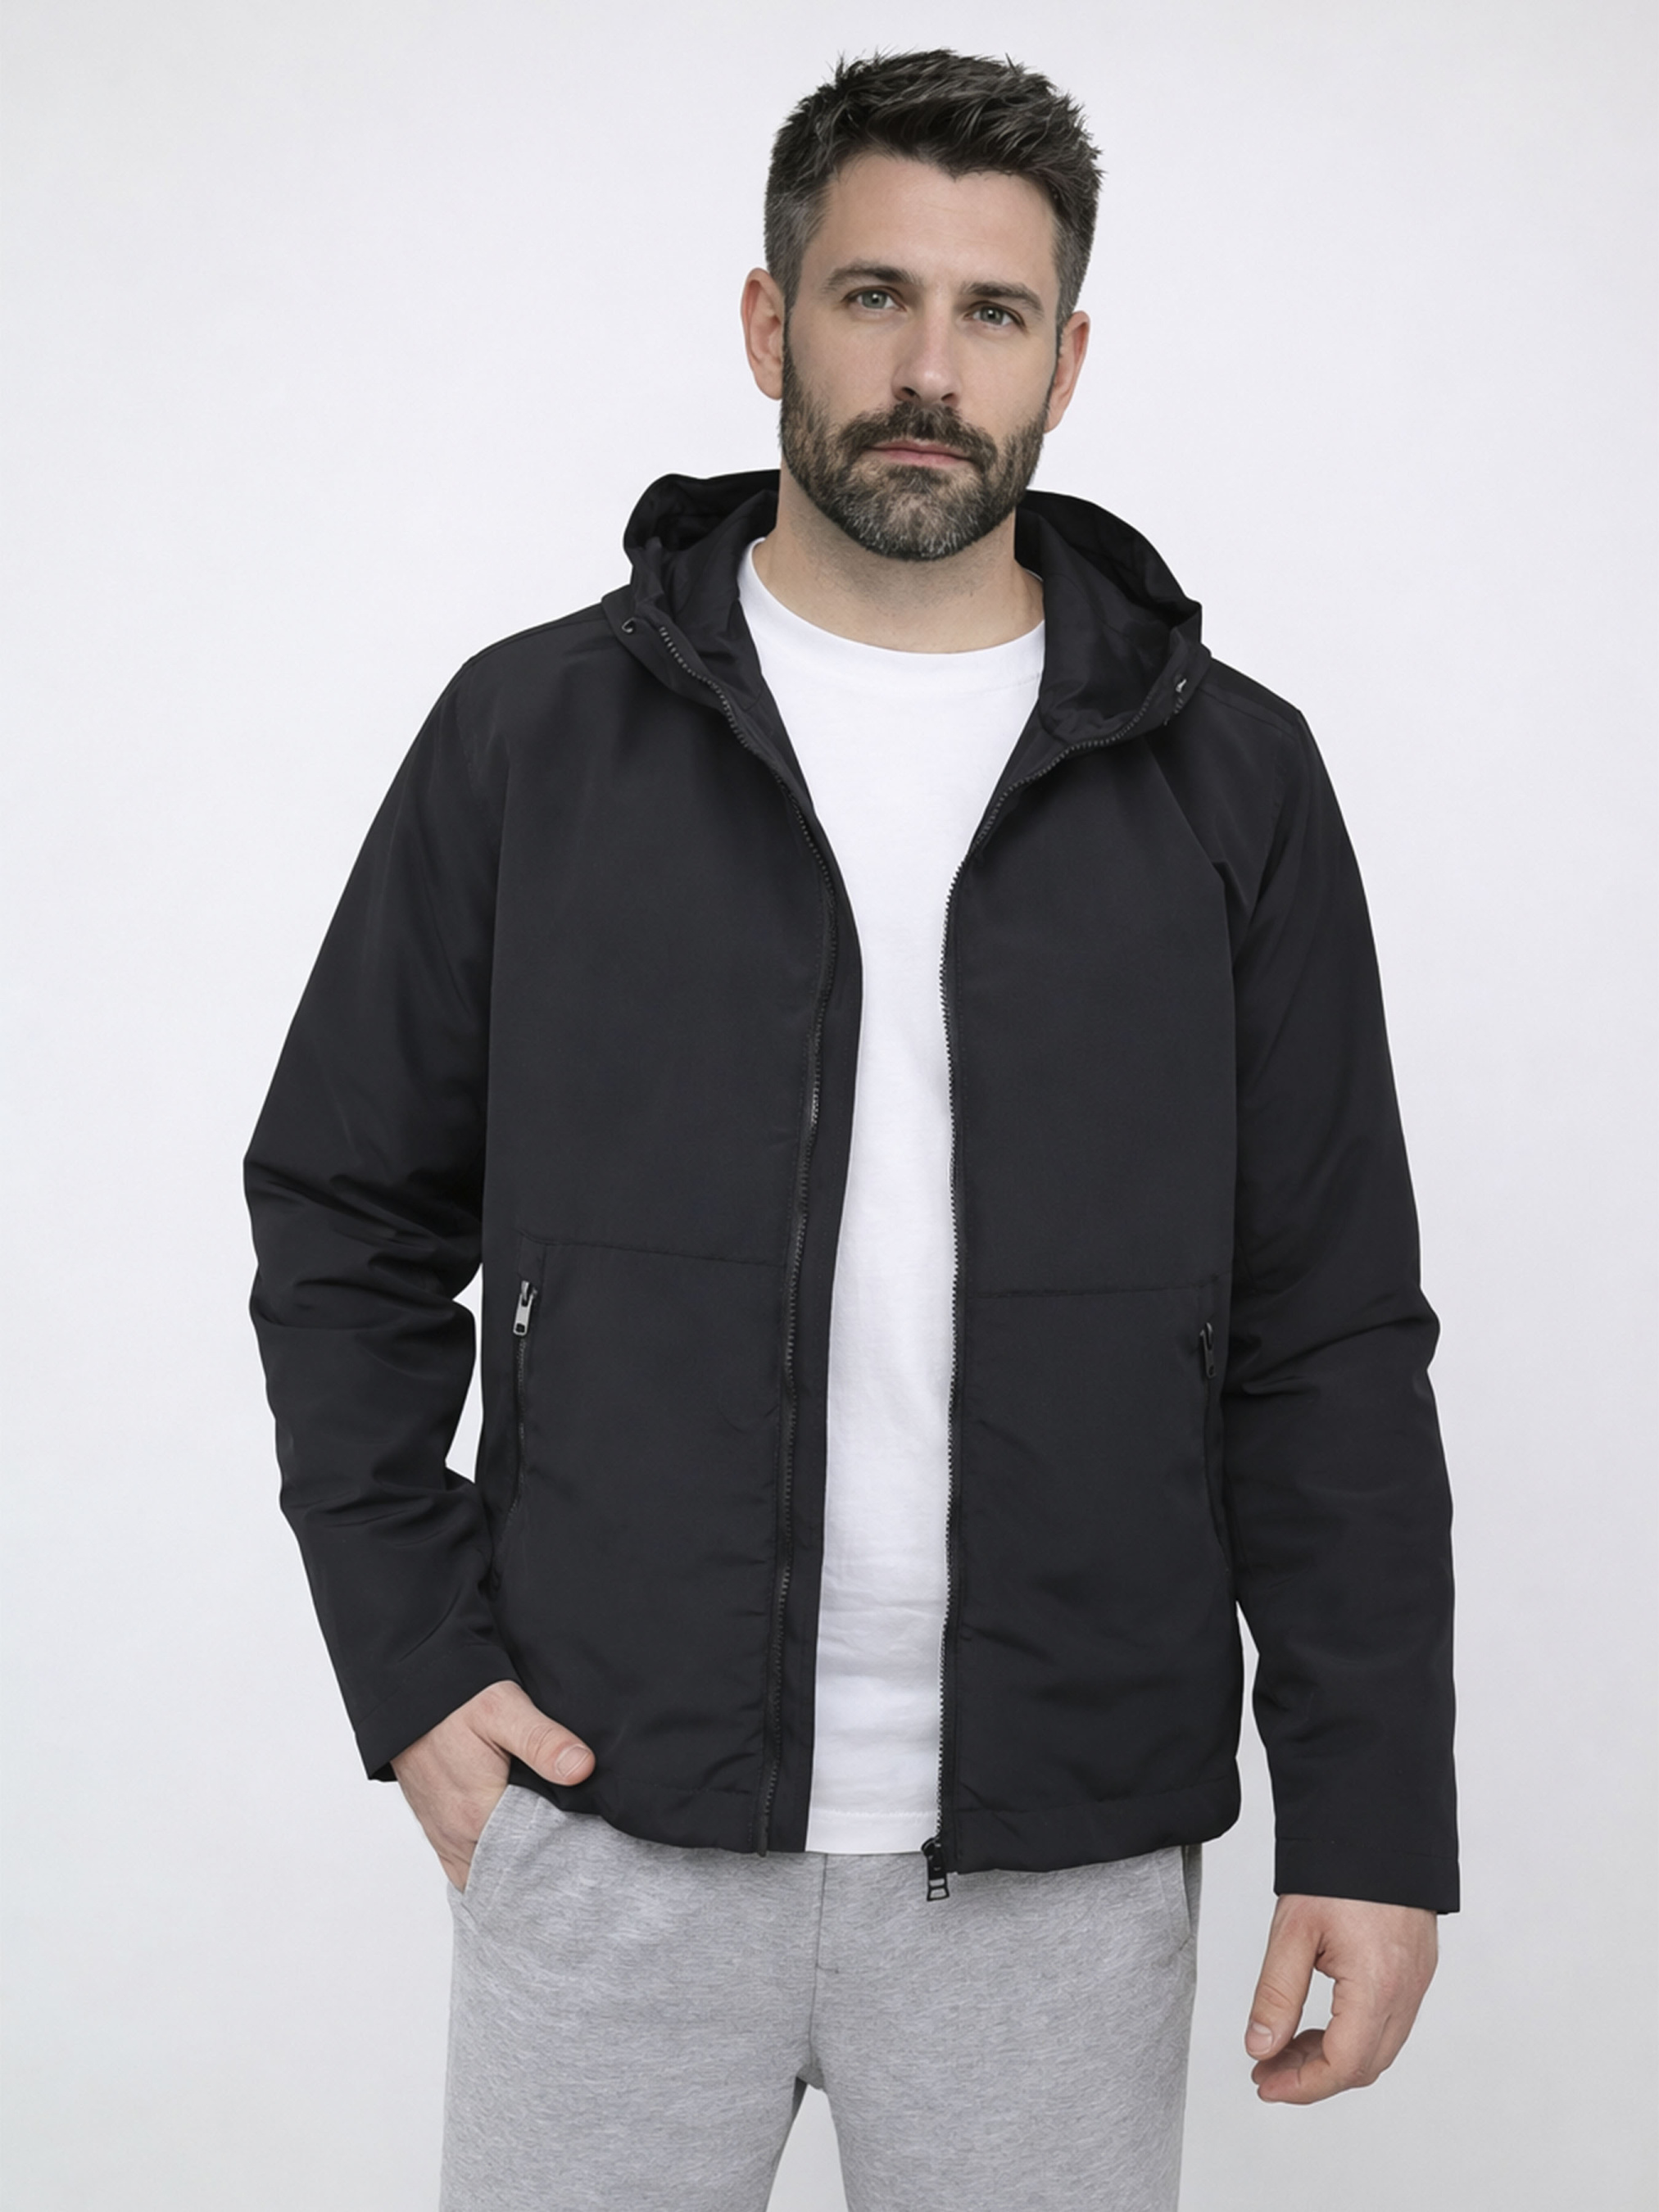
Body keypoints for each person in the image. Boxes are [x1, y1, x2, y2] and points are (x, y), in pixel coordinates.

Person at [246, 48, 1456, 2212]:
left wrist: (1368, 1821)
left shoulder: (1230, 781)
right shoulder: (534, 738)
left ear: (1064, 361)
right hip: (606, 1817)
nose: (927, 371)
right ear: (767, 321)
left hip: (1058, 1864)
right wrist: (415, 1665)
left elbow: (1329, 1328)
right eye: (873, 295)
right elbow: (341, 1210)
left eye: (992, 314)